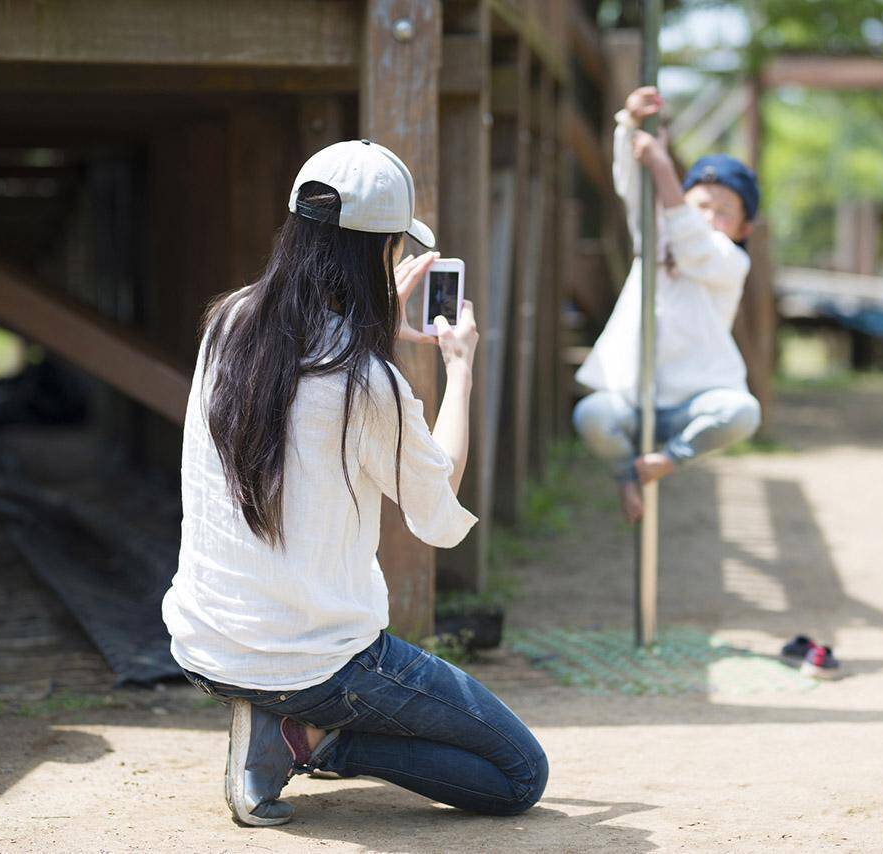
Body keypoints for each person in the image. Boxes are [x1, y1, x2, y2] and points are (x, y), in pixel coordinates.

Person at [161, 139, 548, 826]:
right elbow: (438, 505)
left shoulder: (228, 324)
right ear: (380, 254)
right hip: (318, 661)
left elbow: (304, 376)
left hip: (205, 643)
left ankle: (282, 724)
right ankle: (309, 735)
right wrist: (459, 369)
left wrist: (371, 331)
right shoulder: (369, 384)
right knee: (518, 775)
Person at [573, 86, 763, 523]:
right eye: (701, 205)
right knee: (592, 414)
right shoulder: (656, 239)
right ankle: (628, 475)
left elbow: (693, 243)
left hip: (691, 403)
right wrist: (629, 125)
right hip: (633, 398)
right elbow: (633, 188)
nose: (708, 218)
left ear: (742, 228)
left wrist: (662, 167)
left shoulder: (728, 261)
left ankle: (670, 458)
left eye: (723, 212)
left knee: (741, 412)